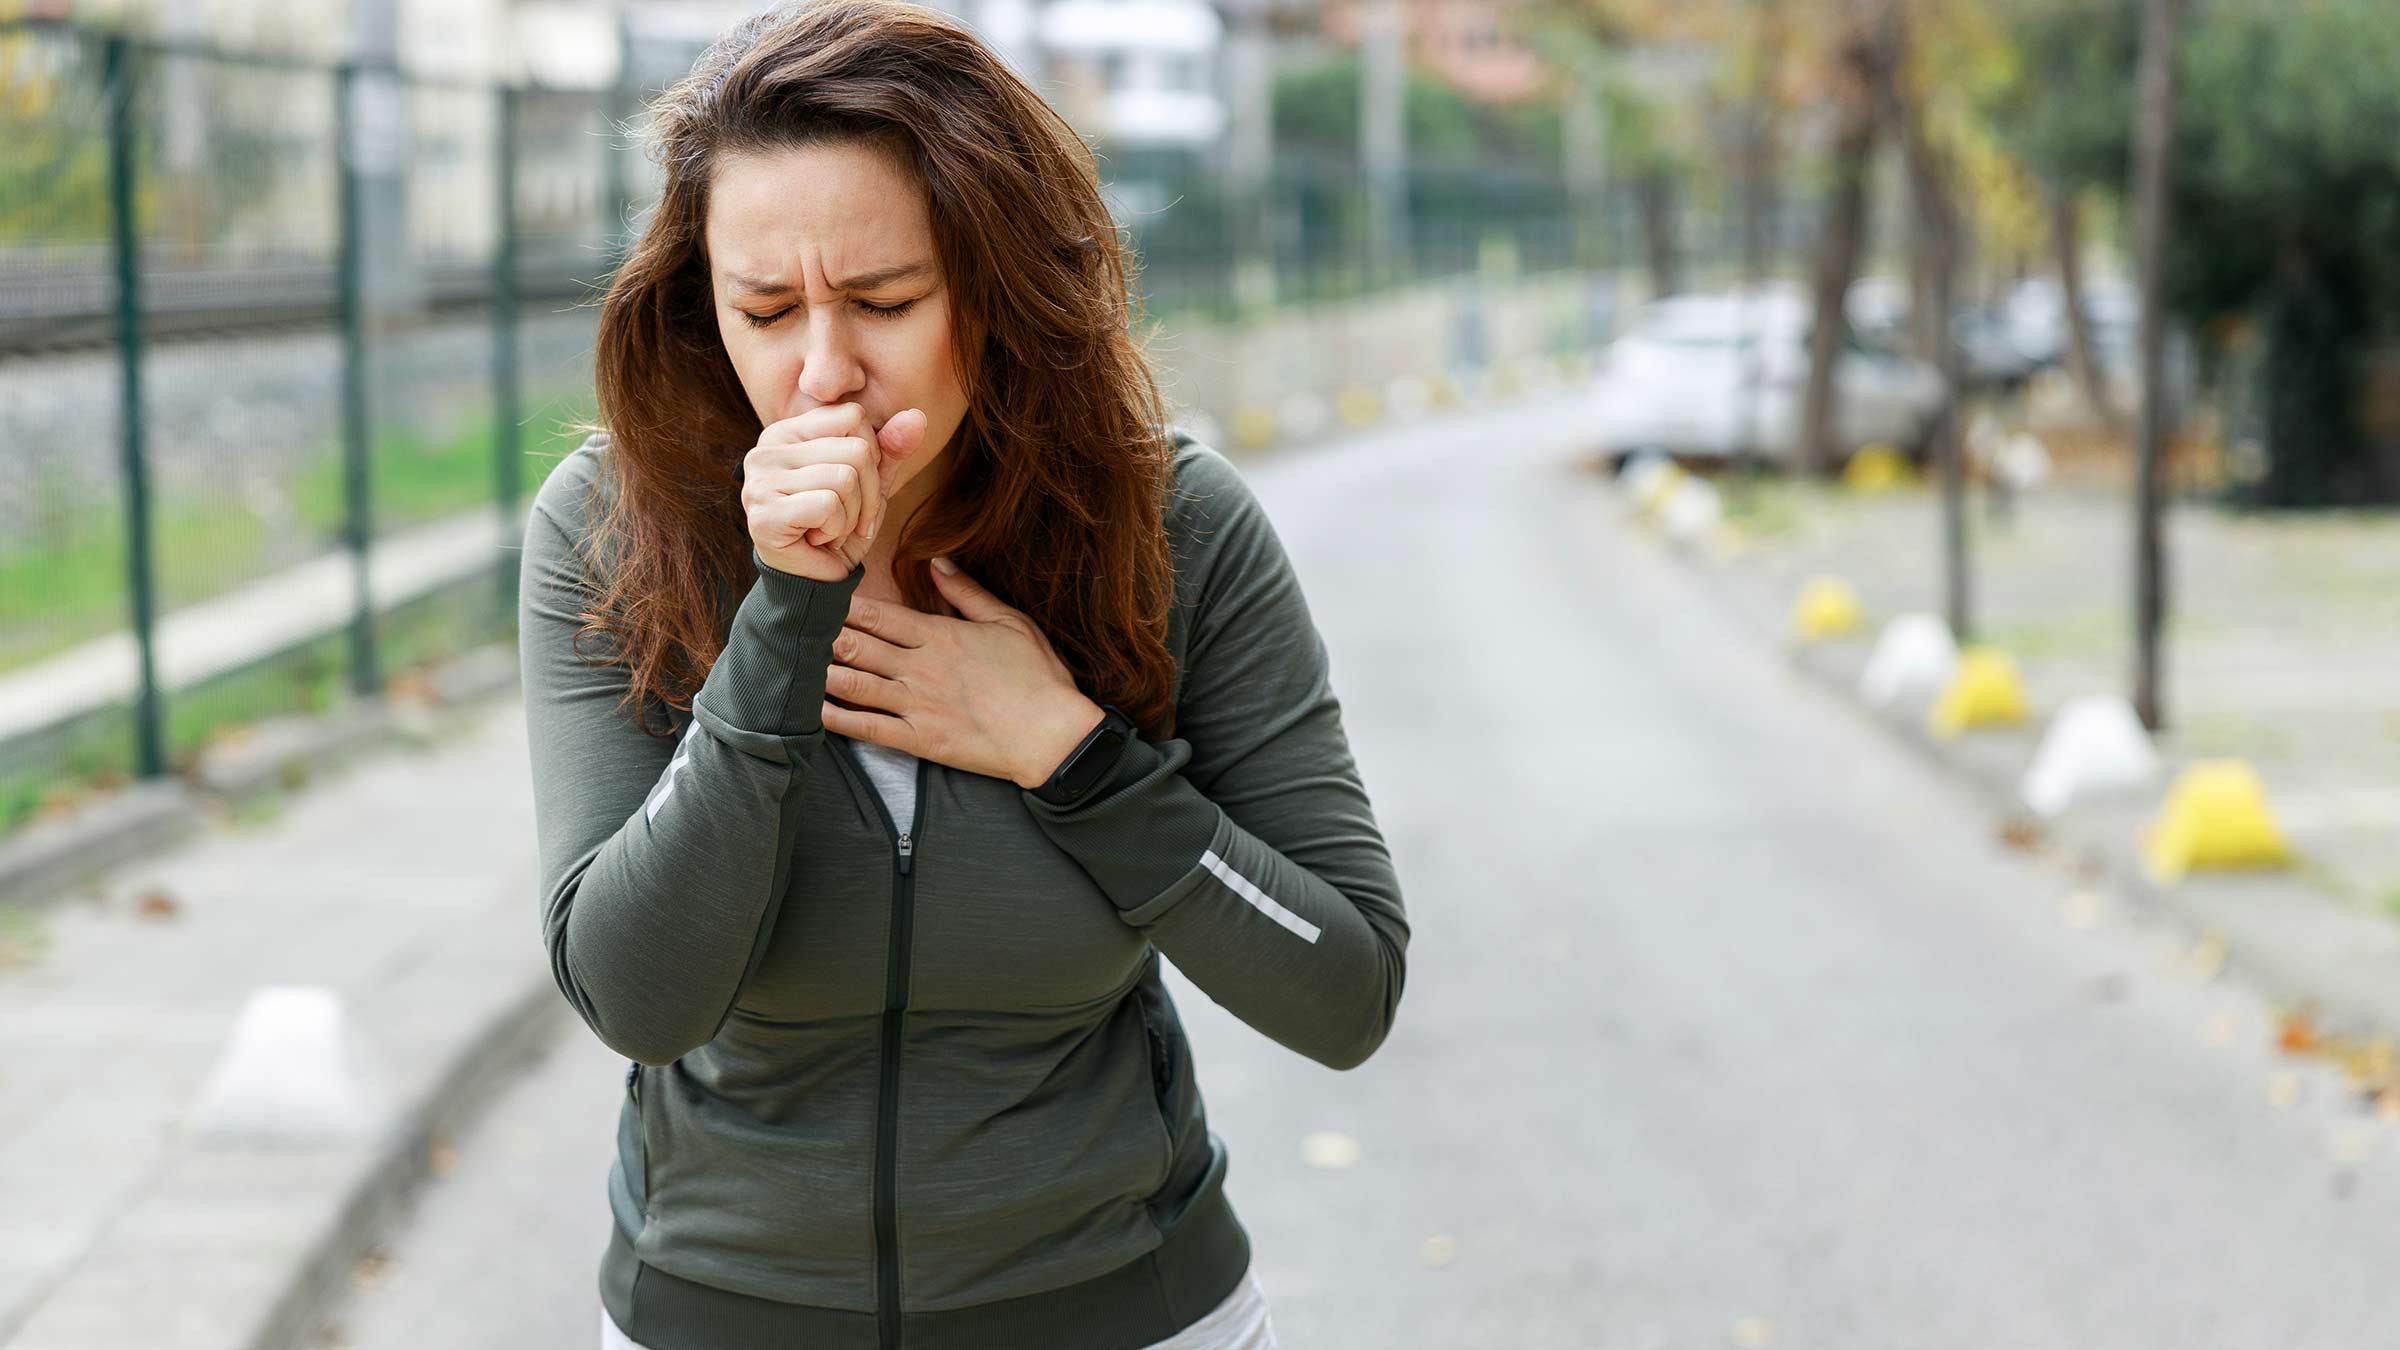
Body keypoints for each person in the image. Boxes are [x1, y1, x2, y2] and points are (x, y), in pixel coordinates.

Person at [515, 2, 1409, 1345]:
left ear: (995, 290)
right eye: (764, 308)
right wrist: (785, 617)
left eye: (884, 301)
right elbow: (636, 994)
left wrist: (1073, 754)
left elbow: (1346, 990)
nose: (821, 370)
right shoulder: (611, 529)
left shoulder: (1175, 528)